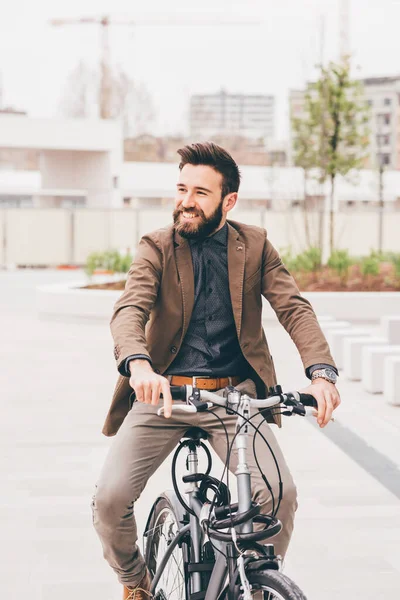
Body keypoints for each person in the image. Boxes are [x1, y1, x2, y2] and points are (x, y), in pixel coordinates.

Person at [91, 142, 341, 600]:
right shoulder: (157, 247)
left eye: (200, 192)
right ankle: (135, 581)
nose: (186, 200)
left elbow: (294, 308)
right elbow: (130, 309)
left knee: (279, 497)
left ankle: (253, 583)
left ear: (229, 201)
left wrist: (321, 371)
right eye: (182, 188)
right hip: (163, 396)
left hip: (235, 399)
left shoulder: (256, 245)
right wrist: (140, 364)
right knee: (109, 500)